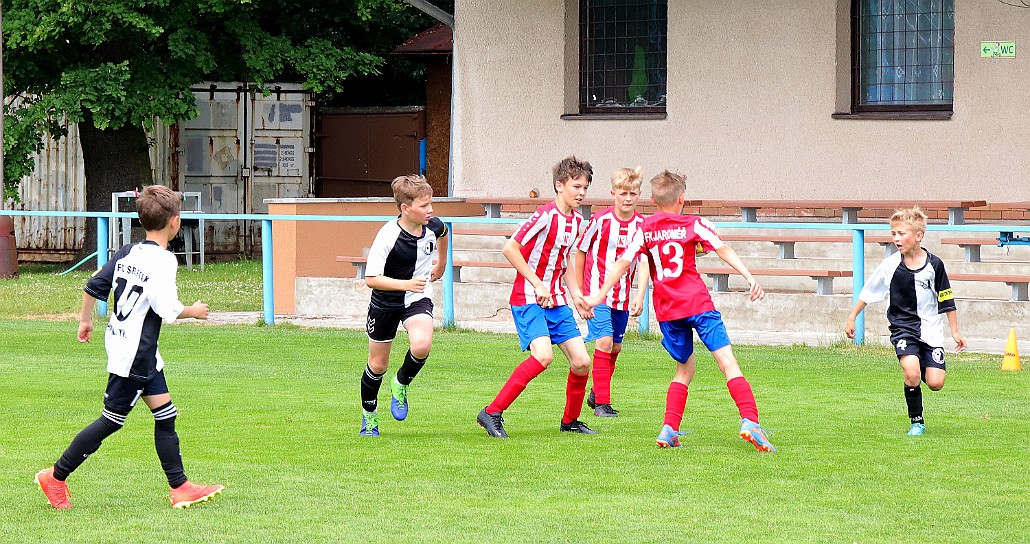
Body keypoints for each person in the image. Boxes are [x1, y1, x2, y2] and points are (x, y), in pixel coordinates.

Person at [35, 185, 222, 509]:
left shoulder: (128, 252)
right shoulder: (163, 261)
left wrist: (85, 321)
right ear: (175, 222)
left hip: (133, 347)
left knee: (166, 415)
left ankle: (180, 487)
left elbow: (93, 285)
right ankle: (55, 476)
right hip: (135, 354)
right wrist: (195, 310)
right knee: (111, 420)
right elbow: (168, 309)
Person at [584, 170, 776, 452]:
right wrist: (749, 277)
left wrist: (600, 293)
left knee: (684, 368)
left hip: (668, 310)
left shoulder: (644, 228)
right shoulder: (695, 224)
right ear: (682, 199)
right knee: (727, 361)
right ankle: (750, 421)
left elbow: (624, 263)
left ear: (651, 199)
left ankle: (669, 428)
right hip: (697, 303)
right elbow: (724, 250)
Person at [476, 156, 597, 438]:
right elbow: (510, 248)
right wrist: (537, 282)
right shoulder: (544, 216)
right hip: (529, 298)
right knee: (543, 356)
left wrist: (577, 295)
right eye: (576, 186)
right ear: (559, 185)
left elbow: (565, 261)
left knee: (581, 362)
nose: (581, 193)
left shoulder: (577, 220)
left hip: (556, 301)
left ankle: (570, 422)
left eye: (585, 188)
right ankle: (491, 412)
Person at [845, 206, 966, 436]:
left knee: (935, 383)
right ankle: (916, 421)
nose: (896, 238)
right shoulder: (890, 265)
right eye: (893, 234)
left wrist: (955, 331)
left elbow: (946, 298)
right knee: (911, 374)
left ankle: (919, 365)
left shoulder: (935, 265)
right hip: (903, 328)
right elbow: (869, 291)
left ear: (918, 236)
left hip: (930, 330)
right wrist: (852, 317)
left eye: (901, 233)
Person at [359, 175, 448, 437]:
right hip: (386, 302)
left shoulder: (433, 225)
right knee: (377, 365)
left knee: (421, 345)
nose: (430, 210)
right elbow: (371, 279)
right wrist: (406, 284)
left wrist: (441, 263)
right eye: (423, 206)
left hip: (416, 298)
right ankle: (369, 417)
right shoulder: (388, 235)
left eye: (431, 204)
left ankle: (400, 385)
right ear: (405, 208)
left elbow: (444, 234)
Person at [573, 167, 649, 418]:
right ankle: (602, 404)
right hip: (597, 292)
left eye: (633, 193)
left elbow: (645, 261)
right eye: (623, 193)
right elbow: (582, 251)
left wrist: (639, 295)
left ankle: (597, 390)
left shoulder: (642, 225)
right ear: (613, 193)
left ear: (639, 195)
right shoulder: (601, 221)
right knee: (604, 342)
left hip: (623, 296)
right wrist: (582, 292)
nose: (628, 198)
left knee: (615, 348)